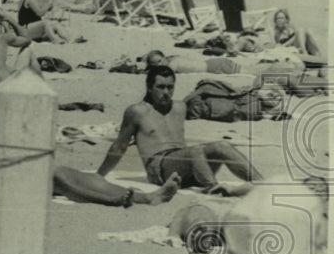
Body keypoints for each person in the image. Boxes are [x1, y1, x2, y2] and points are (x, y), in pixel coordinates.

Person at [0, 90, 181, 204]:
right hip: (2, 181)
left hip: (11, 174)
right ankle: (123, 200)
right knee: (59, 178)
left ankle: (146, 197)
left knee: (76, 174)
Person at [97, 65, 262, 195]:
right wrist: (99, 176)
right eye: (160, 87)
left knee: (222, 146)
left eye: (170, 87)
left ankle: (262, 183)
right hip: (159, 170)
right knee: (195, 150)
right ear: (149, 88)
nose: (166, 92)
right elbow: (119, 146)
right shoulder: (137, 111)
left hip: (187, 168)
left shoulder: (180, 107)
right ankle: (213, 188)